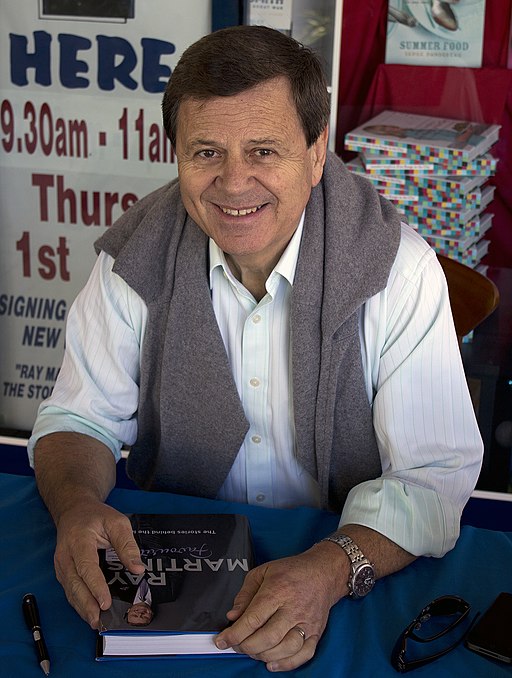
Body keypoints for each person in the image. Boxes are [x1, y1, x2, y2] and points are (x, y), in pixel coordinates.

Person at [28, 25, 483, 672]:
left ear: (316, 153)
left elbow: (434, 477)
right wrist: (75, 507)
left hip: (349, 566)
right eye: (206, 152)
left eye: (264, 150)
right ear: (176, 155)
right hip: (182, 566)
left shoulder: (397, 272)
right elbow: (78, 419)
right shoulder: (135, 258)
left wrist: (333, 569)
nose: (234, 183)